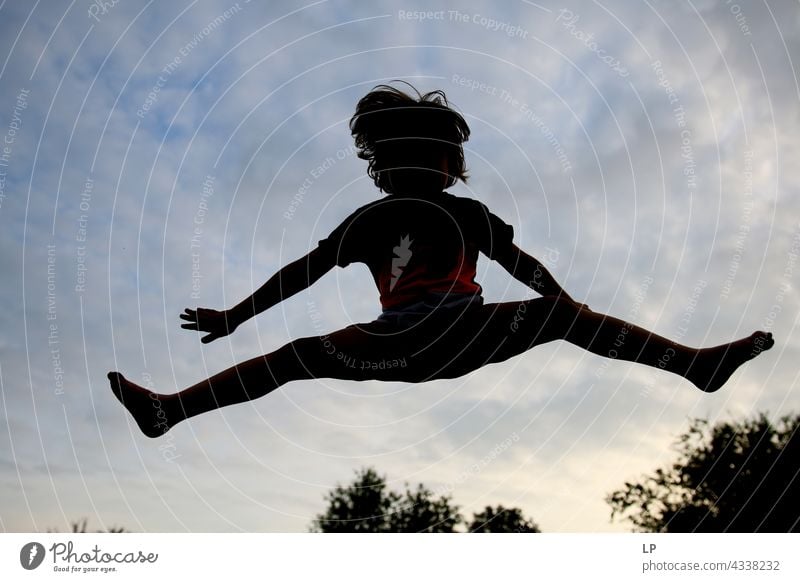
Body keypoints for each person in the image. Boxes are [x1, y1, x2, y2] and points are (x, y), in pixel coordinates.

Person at [109, 83, 774, 438]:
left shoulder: (469, 215)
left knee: (555, 313)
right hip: (395, 342)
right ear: (379, 166)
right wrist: (235, 315)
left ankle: (691, 364)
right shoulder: (368, 223)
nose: (410, 165)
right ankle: (171, 411)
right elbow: (300, 274)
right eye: (393, 155)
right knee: (294, 358)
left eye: (427, 153)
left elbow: (524, 266)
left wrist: (569, 310)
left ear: (450, 165)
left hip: (464, 332)